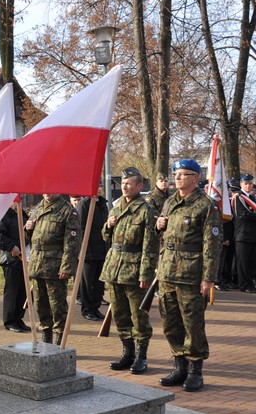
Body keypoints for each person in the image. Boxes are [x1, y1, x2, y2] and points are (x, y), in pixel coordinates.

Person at [155, 159, 222, 392]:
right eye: (176, 174)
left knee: (193, 324)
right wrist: (158, 227)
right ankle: (179, 366)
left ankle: (195, 371)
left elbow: (212, 246)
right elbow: (162, 240)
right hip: (167, 272)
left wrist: (208, 278)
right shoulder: (169, 202)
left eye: (183, 174)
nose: (178, 178)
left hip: (191, 275)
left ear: (195, 178)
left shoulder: (206, 206)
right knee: (170, 323)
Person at [100, 167, 158, 374]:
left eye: (129, 183)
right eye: (123, 183)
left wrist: (145, 274)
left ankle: (141, 357)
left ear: (139, 186)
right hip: (115, 267)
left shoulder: (146, 211)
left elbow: (150, 246)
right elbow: (106, 237)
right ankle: (127, 353)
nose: (125, 186)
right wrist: (108, 225)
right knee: (120, 314)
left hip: (134, 270)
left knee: (138, 316)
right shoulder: (115, 208)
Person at [24, 194, 81, 345]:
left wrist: (66, 267)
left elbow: (72, 244)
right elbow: (29, 237)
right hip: (37, 263)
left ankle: (59, 337)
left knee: (57, 304)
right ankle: (46, 334)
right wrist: (27, 229)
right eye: (45, 188)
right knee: (39, 302)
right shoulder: (38, 208)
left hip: (55, 266)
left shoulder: (67, 211)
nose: (47, 191)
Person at [0, 205, 31, 333]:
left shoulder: (22, 214)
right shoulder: (3, 215)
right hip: (10, 260)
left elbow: (25, 235)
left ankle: (19, 318)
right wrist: (11, 246)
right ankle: (9, 321)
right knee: (12, 292)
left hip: (24, 259)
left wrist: (30, 228)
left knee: (23, 291)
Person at [77, 183, 109, 321]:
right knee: (87, 282)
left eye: (100, 186)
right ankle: (87, 309)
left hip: (102, 250)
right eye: (97, 186)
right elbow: (81, 228)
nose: (99, 188)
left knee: (98, 283)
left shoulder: (102, 204)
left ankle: (95, 307)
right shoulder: (84, 204)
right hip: (88, 251)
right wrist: (85, 250)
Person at [233, 173, 256, 293]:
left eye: (250, 183)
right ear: (241, 184)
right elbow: (243, 214)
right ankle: (243, 284)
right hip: (243, 234)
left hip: (252, 234)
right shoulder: (239, 197)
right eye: (246, 183)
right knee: (243, 262)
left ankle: (250, 283)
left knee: (252, 261)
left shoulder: (252, 198)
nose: (248, 186)